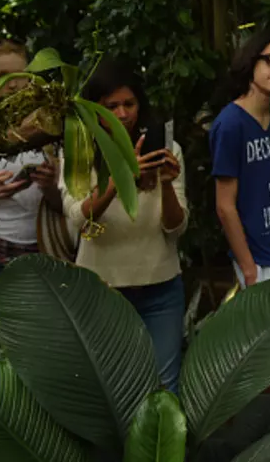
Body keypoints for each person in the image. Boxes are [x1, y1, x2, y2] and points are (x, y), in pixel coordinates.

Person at [60, 58, 187, 394]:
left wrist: (166, 183)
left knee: (164, 388)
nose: (122, 114)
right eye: (111, 106)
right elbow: (79, 218)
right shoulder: (79, 151)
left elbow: (175, 228)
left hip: (160, 286)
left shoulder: (166, 149)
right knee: (110, 390)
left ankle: (163, 449)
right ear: (94, 109)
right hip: (102, 288)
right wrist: (121, 179)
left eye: (129, 104)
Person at [0, 38, 63, 351]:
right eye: (1, 76)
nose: (13, 85)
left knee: (36, 349)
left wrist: (50, 186)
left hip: (40, 249)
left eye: (20, 75)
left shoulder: (47, 126)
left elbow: (66, 206)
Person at [210, 30, 270, 288]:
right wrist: (249, 268)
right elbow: (225, 206)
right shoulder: (230, 124)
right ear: (251, 62)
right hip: (260, 261)